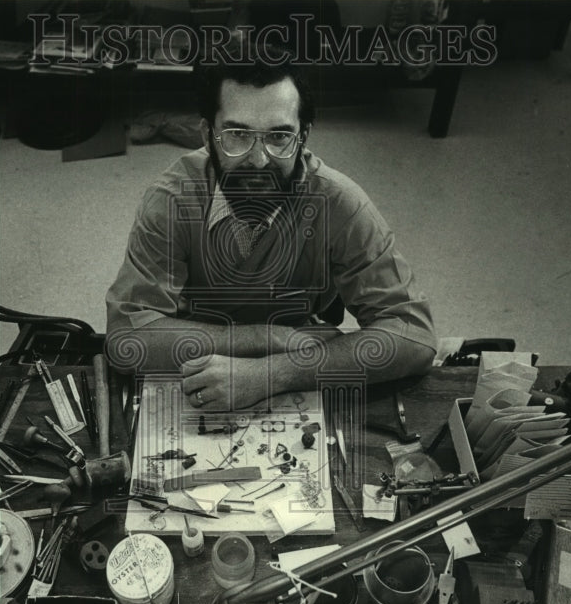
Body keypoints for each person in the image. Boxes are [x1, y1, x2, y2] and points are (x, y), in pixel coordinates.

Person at [105, 51, 436, 410]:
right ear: (207, 134)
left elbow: (415, 337)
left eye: (279, 136)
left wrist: (271, 374)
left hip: (297, 351)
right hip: (199, 349)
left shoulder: (339, 201)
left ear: (303, 137)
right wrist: (263, 338)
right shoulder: (169, 200)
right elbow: (125, 340)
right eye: (236, 134)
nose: (259, 160)